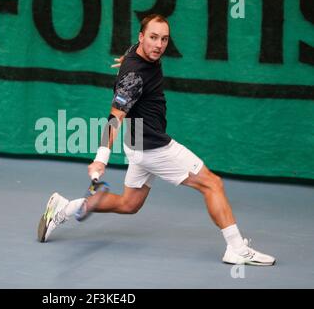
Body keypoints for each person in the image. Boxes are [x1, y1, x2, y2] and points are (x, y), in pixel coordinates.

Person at [37, 14, 276, 266]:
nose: (159, 45)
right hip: (153, 147)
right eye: (153, 38)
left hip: (137, 143)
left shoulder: (136, 53)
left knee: (130, 204)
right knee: (212, 184)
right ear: (141, 37)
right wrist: (101, 158)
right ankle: (236, 248)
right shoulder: (134, 78)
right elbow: (114, 118)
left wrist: (127, 61)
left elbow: (131, 59)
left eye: (163, 39)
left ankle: (64, 208)